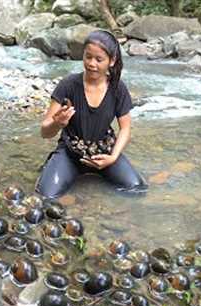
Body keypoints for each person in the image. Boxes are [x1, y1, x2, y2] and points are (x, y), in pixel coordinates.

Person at [36, 30, 147, 198]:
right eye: (88, 57)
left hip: (105, 152)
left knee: (136, 188)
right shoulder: (68, 85)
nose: (92, 64)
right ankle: (55, 165)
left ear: (112, 61)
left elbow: (125, 129)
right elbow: (45, 132)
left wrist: (113, 157)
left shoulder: (118, 89)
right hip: (71, 153)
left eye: (99, 59)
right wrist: (57, 123)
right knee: (46, 195)